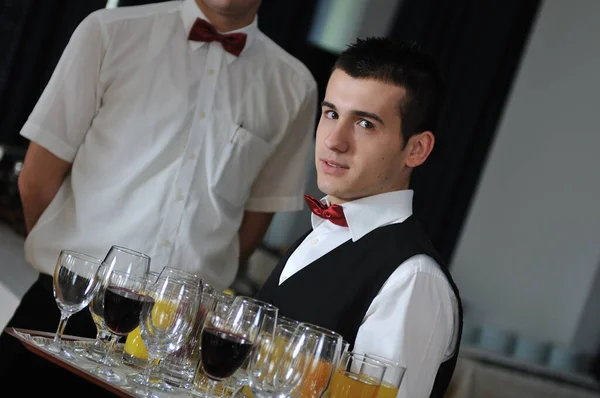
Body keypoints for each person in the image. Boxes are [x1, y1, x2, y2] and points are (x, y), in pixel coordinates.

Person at [0, 0, 317, 391]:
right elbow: (36, 178)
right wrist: (71, 270)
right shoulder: (108, 31)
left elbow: (254, 222)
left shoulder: (295, 86)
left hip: (177, 344)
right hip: (68, 310)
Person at [256, 37, 463, 398]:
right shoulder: (323, 232)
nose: (335, 141)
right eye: (331, 114)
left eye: (365, 124)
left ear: (416, 149)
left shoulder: (412, 280)